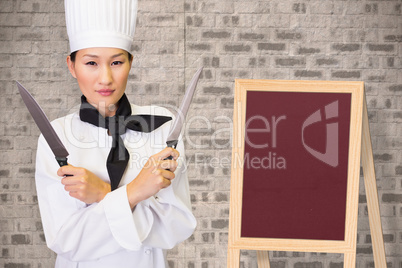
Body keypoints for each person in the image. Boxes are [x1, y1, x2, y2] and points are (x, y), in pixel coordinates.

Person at [34, 0, 196, 267]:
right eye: (91, 63)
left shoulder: (165, 128)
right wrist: (133, 193)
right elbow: (67, 240)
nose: (106, 78)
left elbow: (176, 227)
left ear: (131, 63)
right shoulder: (56, 136)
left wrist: (102, 195)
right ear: (71, 66)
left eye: (117, 62)